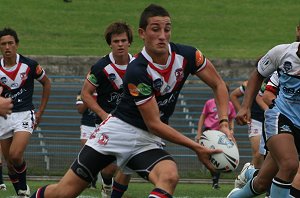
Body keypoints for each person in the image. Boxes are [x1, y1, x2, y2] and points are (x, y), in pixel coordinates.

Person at [30, 4, 232, 198]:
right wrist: (196, 147)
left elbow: (219, 85)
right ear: (142, 33)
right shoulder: (137, 70)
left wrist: (224, 123)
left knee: (169, 176)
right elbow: (154, 123)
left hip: (147, 140)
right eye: (155, 29)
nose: (162, 36)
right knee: (64, 193)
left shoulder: (189, 55)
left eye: (167, 29)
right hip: (118, 132)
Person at [227, 39, 300, 198]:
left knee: (262, 183)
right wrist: (245, 107)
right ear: (298, 31)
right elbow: (258, 77)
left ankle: (240, 189)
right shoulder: (282, 53)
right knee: (289, 164)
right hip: (280, 117)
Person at [80, 21, 134, 198]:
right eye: (116, 41)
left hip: (133, 122)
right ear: (110, 43)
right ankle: (107, 183)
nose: (120, 44)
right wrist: (104, 115)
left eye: (123, 40)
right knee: (108, 169)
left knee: (127, 166)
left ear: (129, 42)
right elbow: (86, 94)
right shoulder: (100, 67)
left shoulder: (139, 65)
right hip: (107, 123)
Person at [0, 27, 51, 197]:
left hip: (24, 113)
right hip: (4, 116)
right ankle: (22, 193)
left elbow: (47, 83)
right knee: (10, 164)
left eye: (10, 43)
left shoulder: (29, 65)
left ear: (17, 44)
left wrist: (40, 112)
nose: (7, 47)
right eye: (3, 44)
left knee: (15, 155)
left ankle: (23, 188)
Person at [195, 83, 236, 189]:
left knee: (218, 157)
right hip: (209, 133)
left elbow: (231, 119)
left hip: (221, 135)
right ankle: (214, 178)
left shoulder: (230, 105)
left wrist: (231, 130)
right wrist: (199, 133)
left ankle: (215, 180)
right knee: (207, 157)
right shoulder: (209, 103)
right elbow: (202, 117)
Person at [230, 78, 266, 169]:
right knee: (258, 153)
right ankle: (248, 177)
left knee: (271, 154)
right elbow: (233, 95)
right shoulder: (249, 84)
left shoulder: (277, 80)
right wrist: (243, 110)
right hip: (255, 120)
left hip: (272, 120)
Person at [76, 90, 97, 189]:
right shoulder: (82, 92)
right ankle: (89, 179)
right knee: (87, 152)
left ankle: (104, 181)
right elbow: (80, 109)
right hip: (87, 126)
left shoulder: (105, 88)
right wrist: (89, 96)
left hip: (102, 124)